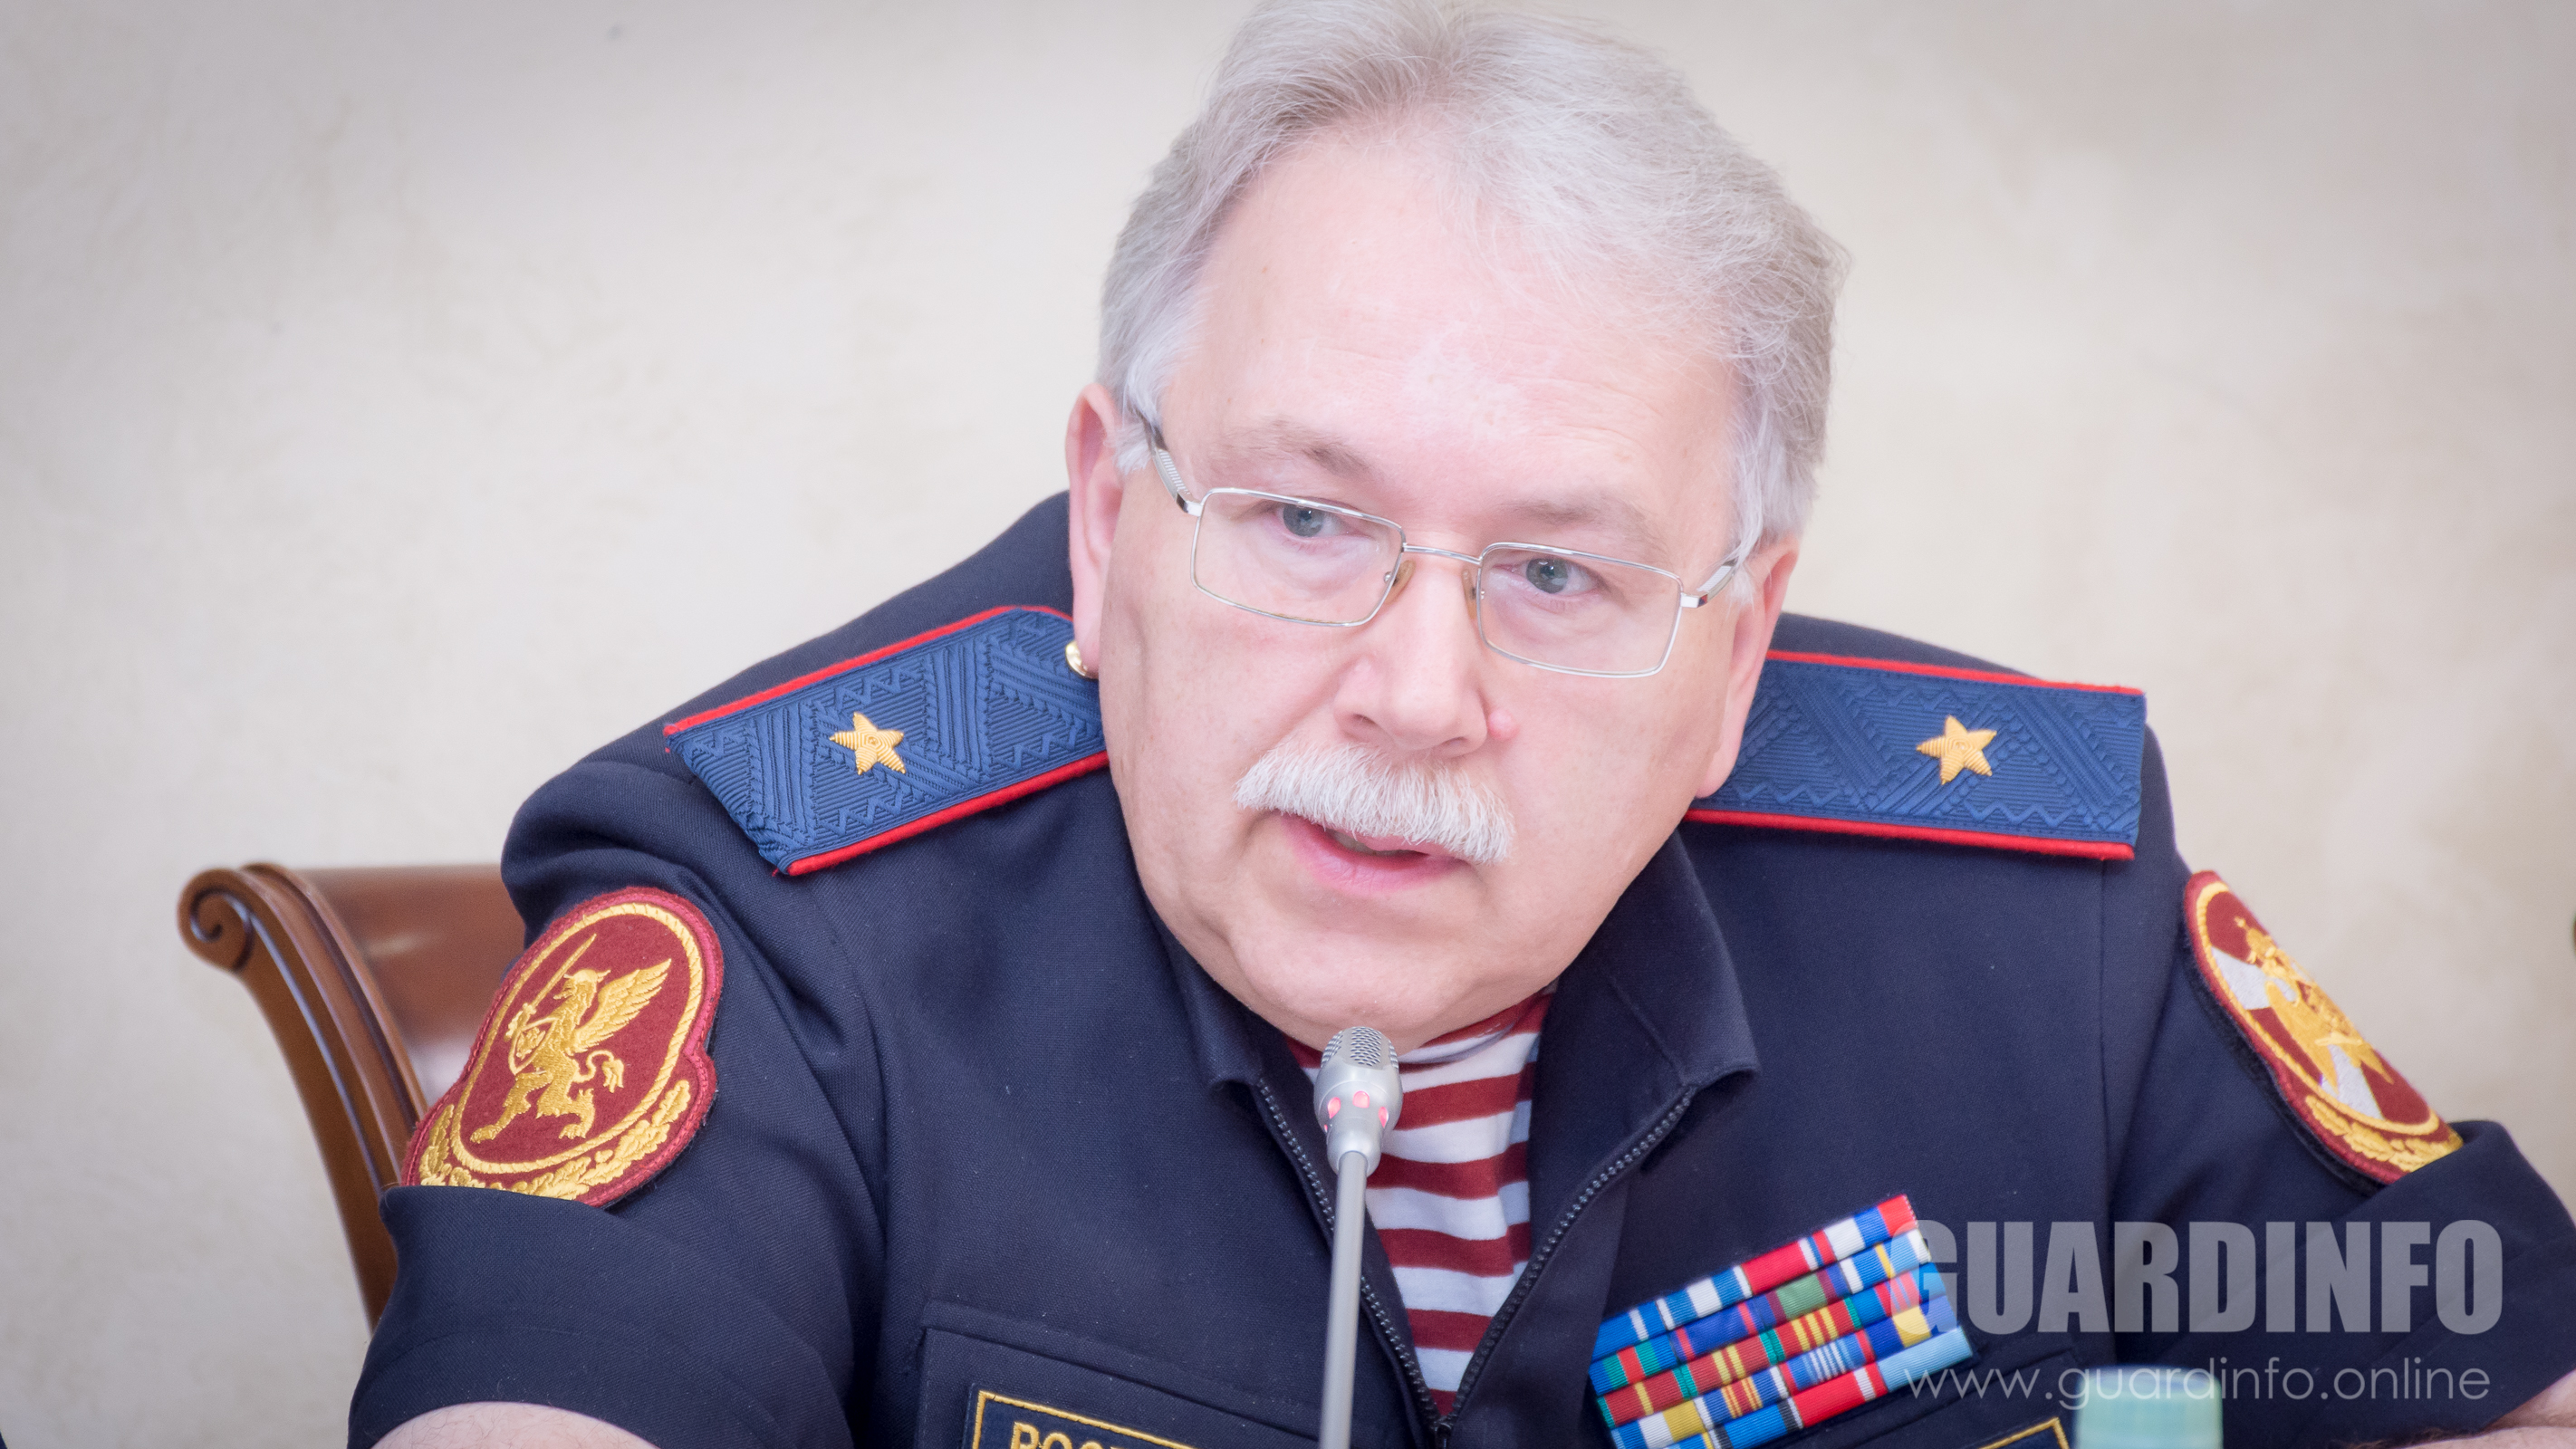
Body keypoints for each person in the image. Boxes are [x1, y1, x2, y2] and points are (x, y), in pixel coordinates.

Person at [353, 3, 2576, 1446]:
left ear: (1737, 641)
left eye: (1558, 574)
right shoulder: (768, 904)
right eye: (1307, 519)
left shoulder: (2031, 902)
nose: (1418, 694)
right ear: (1112, 519)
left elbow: (2496, 1378)